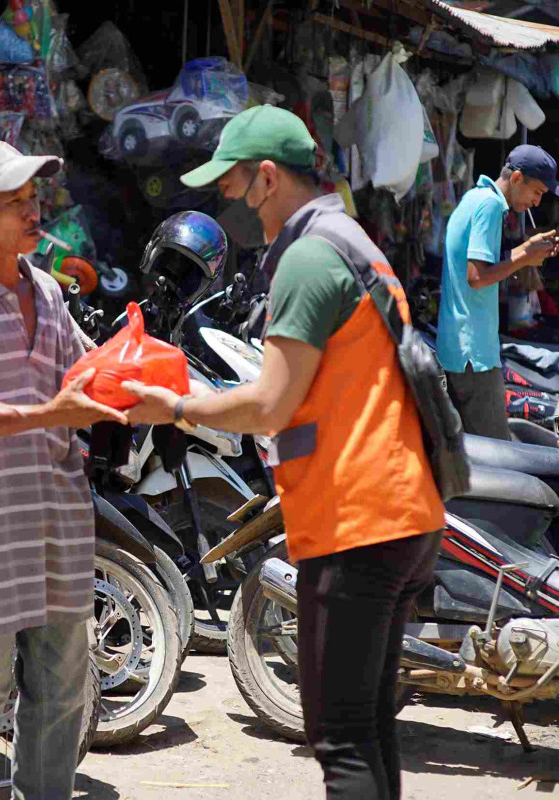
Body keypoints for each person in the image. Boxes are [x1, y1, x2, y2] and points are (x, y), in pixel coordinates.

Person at [123, 105, 445, 800]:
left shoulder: (307, 257)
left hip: (357, 518)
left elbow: (270, 402)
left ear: (267, 177)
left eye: (231, 187)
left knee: (340, 739)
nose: (228, 205)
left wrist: (172, 406)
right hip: (401, 510)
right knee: (368, 729)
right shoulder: (353, 241)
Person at [0, 140, 126, 800]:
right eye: (16, 202)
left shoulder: (46, 290)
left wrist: (138, 367)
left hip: (57, 521)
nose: (34, 213)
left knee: (62, 693)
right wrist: (53, 411)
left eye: (36, 199)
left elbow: (83, 375)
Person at [436, 144, 559, 440]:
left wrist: (527, 249)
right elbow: (477, 277)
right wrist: (525, 258)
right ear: (517, 178)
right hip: (474, 355)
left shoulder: (475, 198)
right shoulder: (490, 207)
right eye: (537, 192)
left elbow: (483, 264)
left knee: (472, 453)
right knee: (498, 454)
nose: (537, 202)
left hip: (459, 348)